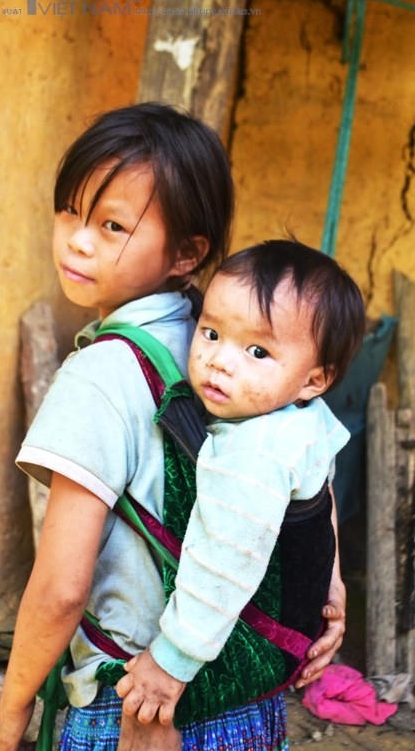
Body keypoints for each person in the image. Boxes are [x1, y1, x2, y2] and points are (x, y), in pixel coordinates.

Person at [0, 104, 346, 751]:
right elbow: (310, 452)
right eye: (69, 210)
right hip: (242, 695)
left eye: (112, 225)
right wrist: (329, 581)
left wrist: (13, 703)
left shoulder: (104, 374)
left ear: (188, 252)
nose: (77, 240)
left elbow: (63, 587)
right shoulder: (239, 347)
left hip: (137, 701)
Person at [116, 240, 366, 741]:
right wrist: (333, 579)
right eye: (211, 333)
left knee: (138, 702)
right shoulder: (300, 416)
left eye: (257, 351)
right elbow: (324, 484)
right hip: (294, 624)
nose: (219, 362)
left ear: (313, 380)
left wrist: (170, 663)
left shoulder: (253, 454)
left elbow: (222, 565)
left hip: (261, 640)